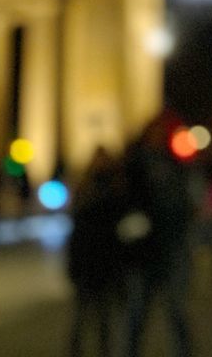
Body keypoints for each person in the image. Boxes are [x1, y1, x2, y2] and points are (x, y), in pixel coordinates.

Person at [122, 115, 196, 357]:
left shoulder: (173, 163)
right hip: (145, 250)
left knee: (176, 310)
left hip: (172, 244)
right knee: (138, 311)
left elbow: (184, 199)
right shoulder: (134, 164)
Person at [68, 147, 126, 357]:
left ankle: (102, 350)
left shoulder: (111, 189)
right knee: (83, 314)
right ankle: (78, 349)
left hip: (104, 261)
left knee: (101, 315)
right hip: (89, 261)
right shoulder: (94, 189)